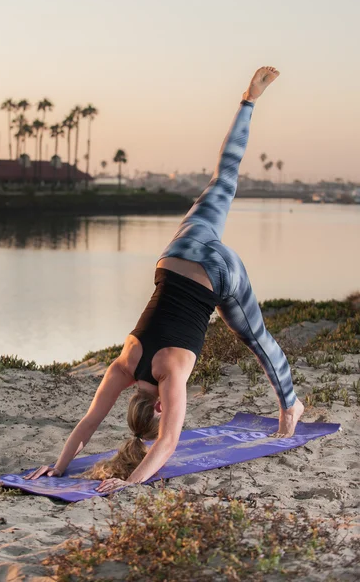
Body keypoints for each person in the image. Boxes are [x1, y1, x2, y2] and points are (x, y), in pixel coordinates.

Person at [26, 66, 304, 493]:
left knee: (256, 336)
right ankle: (248, 100)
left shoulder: (171, 374)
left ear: (157, 403)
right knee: (224, 176)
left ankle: (291, 409)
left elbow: (169, 441)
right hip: (176, 255)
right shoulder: (124, 363)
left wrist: (131, 482)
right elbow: (88, 422)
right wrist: (60, 465)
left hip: (217, 271)